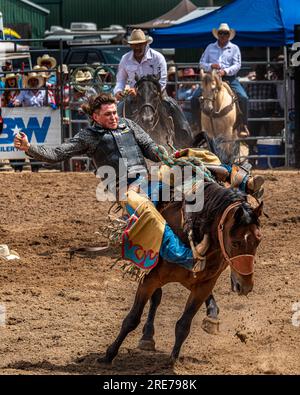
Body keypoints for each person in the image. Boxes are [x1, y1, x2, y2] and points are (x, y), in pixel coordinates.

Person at [14, 93, 264, 270]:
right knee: (150, 216)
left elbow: (149, 147)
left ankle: (242, 182)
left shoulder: (128, 125)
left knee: (193, 168)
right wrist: (29, 148)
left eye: (114, 112)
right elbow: (57, 154)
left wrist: (166, 156)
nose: (113, 117)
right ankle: (186, 257)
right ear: (95, 117)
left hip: (149, 178)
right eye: (108, 114)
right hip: (125, 189)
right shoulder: (87, 137)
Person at [113, 29, 192, 140]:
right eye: (135, 45)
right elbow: (120, 80)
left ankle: (184, 136)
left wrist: (149, 93)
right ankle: (115, 141)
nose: (137, 48)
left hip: (156, 95)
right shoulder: (125, 59)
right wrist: (119, 92)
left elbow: (162, 82)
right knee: (116, 112)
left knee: (173, 108)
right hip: (133, 96)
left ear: (145, 44)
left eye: (140, 44)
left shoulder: (157, 57)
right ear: (131, 46)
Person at [199, 23, 250, 137]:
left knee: (243, 97)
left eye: (225, 33)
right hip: (211, 78)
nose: (222, 35)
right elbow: (201, 63)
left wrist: (225, 71)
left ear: (229, 35)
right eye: (220, 33)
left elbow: (237, 65)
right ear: (217, 34)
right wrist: (211, 66)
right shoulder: (210, 47)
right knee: (194, 98)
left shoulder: (234, 48)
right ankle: (197, 126)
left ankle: (243, 125)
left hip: (229, 78)